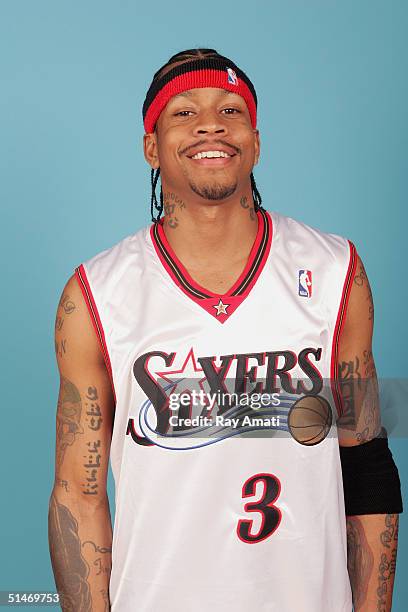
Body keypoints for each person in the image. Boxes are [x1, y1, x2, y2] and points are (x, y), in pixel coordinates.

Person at [48, 48, 402, 612]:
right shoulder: (95, 294)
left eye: (232, 111)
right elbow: (79, 494)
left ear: (256, 143)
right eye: (184, 113)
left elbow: (365, 461)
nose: (211, 123)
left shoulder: (337, 270)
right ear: (151, 148)